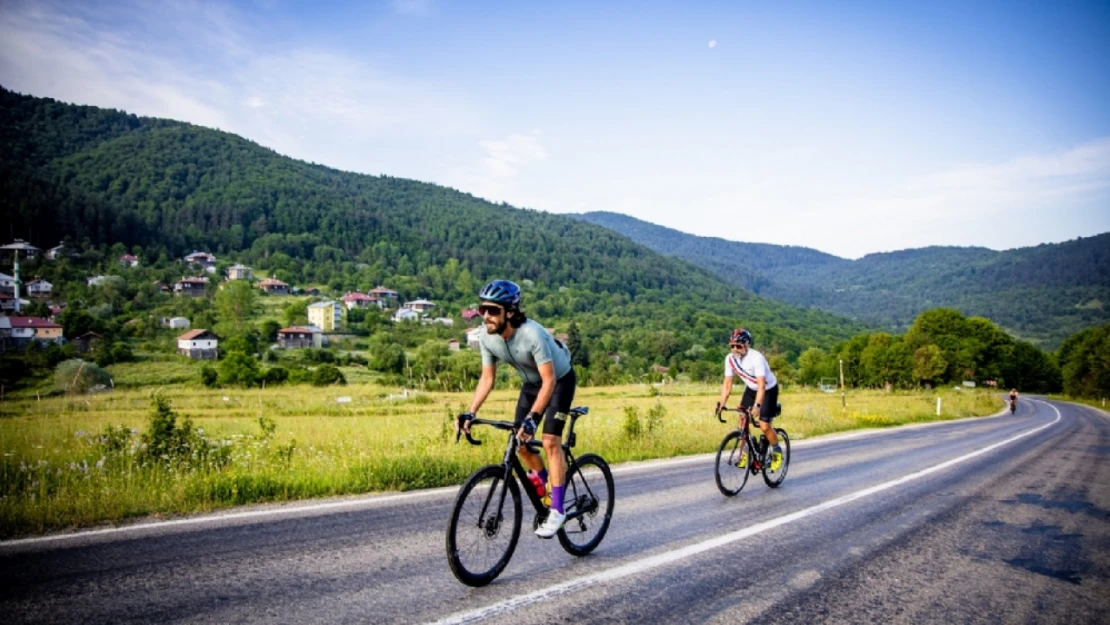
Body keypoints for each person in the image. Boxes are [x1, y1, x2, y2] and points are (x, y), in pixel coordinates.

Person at [457, 279, 577, 538]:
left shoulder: (531, 334)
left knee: (549, 442)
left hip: (559, 381)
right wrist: (471, 412)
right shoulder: (487, 338)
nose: (486, 316)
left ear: (510, 312)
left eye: (493, 310)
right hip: (532, 384)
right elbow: (487, 379)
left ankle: (557, 509)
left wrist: (534, 418)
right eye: (482, 309)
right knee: (519, 441)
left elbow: (550, 381)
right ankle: (546, 483)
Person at [715, 328, 783, 470]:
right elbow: (727, 383)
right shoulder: (730, 359)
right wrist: (722, 403)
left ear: (747, 345)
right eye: (732, 346)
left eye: (738, 346)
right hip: (751, 389)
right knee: (742, 417)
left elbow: (761, 385)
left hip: (768, 389)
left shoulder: (756, 358)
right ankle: (746, 449)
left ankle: (777, 451)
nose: (735, 349)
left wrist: (758, 405)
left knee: (764, 425)